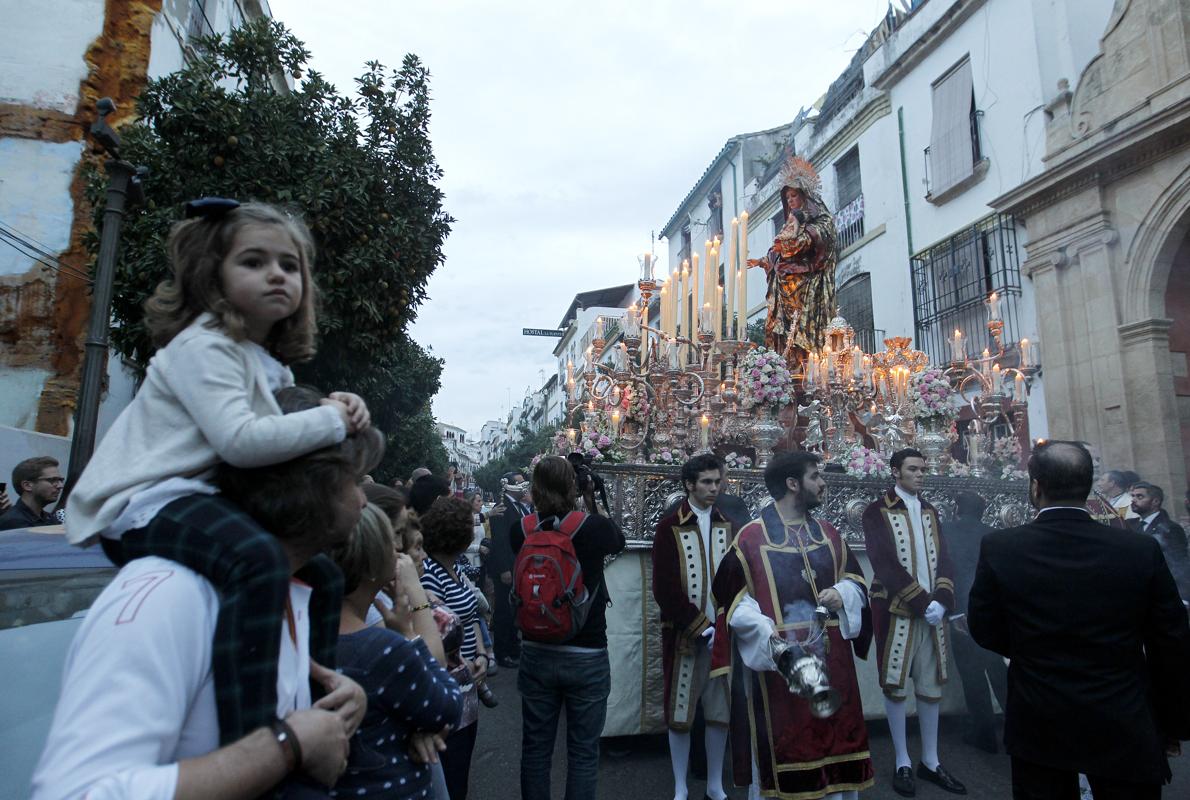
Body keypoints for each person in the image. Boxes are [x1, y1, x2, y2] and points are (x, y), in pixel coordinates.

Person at [63, 200, 370, 744]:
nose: (276, 274)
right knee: (257, 561)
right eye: (253, 261)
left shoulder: (267, 360)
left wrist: (341, 406)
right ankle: (256, 735)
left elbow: (290, 424)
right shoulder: (202, 346)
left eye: (290, 265)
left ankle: (318, 688)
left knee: (321, 575)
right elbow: (243, 441)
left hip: (201, 497)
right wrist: (329, 421)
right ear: (212, 276)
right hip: (145, 503)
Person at [31, 387, 382, 799]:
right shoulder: (169, 593)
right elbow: (77, 792)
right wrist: (287, 745)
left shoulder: (293, 589)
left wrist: (339, 708)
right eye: (353, 480)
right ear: (310, 485)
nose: (363, 500)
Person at [969, 440, 1190, 799]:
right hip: (1123, 711)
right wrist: (1172, 723)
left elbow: (984, 627)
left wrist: (1033, 649)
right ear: (1088, 486)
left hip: (1040, 712)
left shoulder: (1002, 546)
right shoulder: (1137, 549)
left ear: (1035, 486)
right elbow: (1171, 640)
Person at [710, 451, 873, 800]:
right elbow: (733, 602)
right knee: (790, 756)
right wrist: (771, 642)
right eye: (815, 476)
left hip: (835, 662)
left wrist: (843, 593)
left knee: (838, 752)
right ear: (792, 484)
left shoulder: (829, 534)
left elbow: (858, 582)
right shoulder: (752, 539)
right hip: (783, 669)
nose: (823, 483)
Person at [511, 455, 625, 800]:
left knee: (535, 749)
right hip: (586, 651)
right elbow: (618, 540)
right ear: (573, 486)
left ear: (534, 488)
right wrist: (590, 499)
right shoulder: (591, 528)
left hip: (534, 648)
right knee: (582, 753)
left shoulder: (522, 529)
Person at [334, 503, 461, 800]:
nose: (401, 551)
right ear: (372, 559)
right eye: (393, 540)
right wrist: (408, 633)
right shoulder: (379, 646)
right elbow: (447, 705)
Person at [861, 448, 965, 797]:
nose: (921, 474)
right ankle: (903, 759)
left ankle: (931, 761)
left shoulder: (930, 510)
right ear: (895, 471)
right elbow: (884, 562)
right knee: (895, 684)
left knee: (930, 684)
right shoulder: (876, 511)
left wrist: (943, 599)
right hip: (896, 610)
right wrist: (923, 602)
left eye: (923, 469)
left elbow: (945, 558)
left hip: (933, 612)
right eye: (913, 469)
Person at [652, 454, 734, 800]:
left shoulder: (727, 525)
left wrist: (727, 621)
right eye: (706, 482)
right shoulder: (670, 526)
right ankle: (680, 786)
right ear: (689, 484)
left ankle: (715, 784)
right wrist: (698, 624)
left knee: (719, 712)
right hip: (685, 635)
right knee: (680, 713)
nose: (714, 488)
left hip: (723, 637)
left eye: (717, 482)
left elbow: (736, 579)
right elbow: (665, 587)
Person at [420, 496, 490, 800]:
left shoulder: (455, 569)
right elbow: (436, 632)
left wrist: (483, 656)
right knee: (450, 776)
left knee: (460, 770)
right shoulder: (430, 575)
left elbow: (472, 614)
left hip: (467, 685)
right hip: (448, 687)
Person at [746, 154, 838, 367]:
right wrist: (763, 261)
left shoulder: (820, 222)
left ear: (805, 196)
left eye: (794, 196)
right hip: (784, 288)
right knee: (783, 333)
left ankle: (808, 367)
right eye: (787, 198)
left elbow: (801, 245)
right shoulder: (789, 225)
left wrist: (796, 229)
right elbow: (778, 251)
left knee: (802, 331)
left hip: (807, 288)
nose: (790, 201)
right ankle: (787, 367)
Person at [944, 491, 1007, 754]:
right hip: (992, 612)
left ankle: (984, 734)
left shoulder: (946, 530)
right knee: (998, 672)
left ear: (957, 509)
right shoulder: (994, 534)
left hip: (963, 613)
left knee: (972, 675)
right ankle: (1020, 729)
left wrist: (956, 611)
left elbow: (948, 570)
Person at [488, 470, 532, 668]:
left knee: (514, 609)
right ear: (509, 486)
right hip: (507, 568)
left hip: (519, 565)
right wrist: (504, 569)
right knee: (504, 611)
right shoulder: (502, 508)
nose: (524, 487)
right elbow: (500, 542)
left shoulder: (519, 507)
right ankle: (501, 651)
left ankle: (513, 646)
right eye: (520, 483)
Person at [1130, 481, 1190, 603]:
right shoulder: (1133, 525)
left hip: (1162, 592)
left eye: (1140, 496)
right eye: (1133, 496)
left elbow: (1178, 564)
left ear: (1155, 502)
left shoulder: (1169, 528)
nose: (1134, 500)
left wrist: (1183, 597)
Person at [0, 456, 63, 530]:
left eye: (60, 480)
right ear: (27, 486)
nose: (60, 486)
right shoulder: (14, 522)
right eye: (53, 480)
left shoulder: (50, 519)